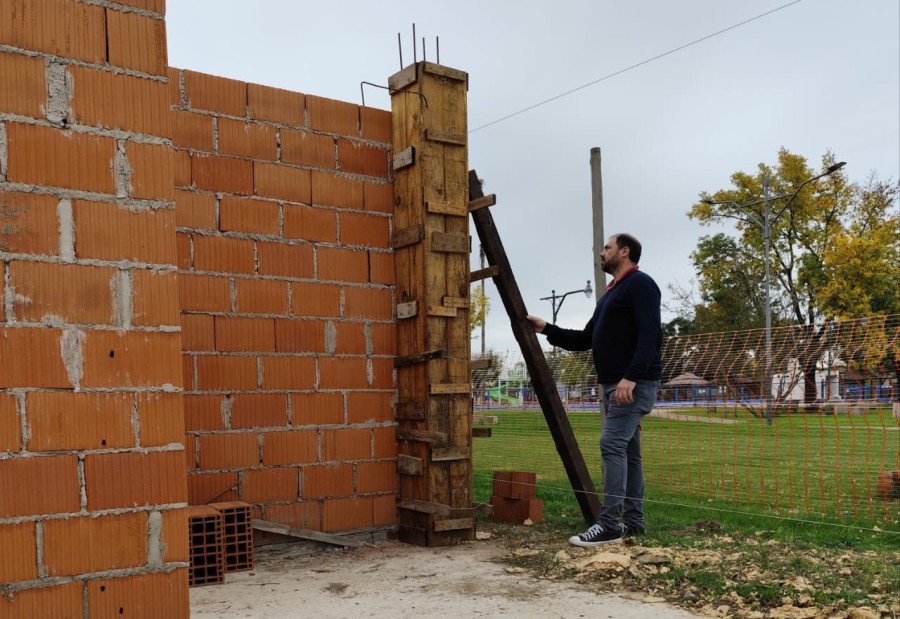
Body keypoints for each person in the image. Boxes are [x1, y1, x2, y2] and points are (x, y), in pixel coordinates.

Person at [527, 233, 662, 547]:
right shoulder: (611, 294)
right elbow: (585, 339)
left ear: (624, 252)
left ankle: (610, 525)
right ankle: (633, 522)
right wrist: (547, 328)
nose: (601, 252)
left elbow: (650, 335)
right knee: (628, 453)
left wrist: (631, 377)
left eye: (607, 247)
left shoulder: (640, 284)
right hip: (616, 383)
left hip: (631, 384)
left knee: (611, 444)